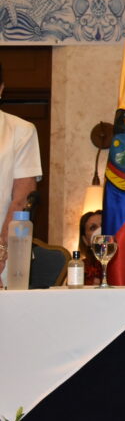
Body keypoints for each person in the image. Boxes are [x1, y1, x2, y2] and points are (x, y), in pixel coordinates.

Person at [0, 63, 43, 288]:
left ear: (1, 89)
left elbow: (21, 199)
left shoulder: (20, 130)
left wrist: (2, 251)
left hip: (6, 252)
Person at [79, 209, 103, 285]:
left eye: (103, 225)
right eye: (93, 228)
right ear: (85, 240)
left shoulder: (123, 264)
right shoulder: (80, 268)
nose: (100, 231)